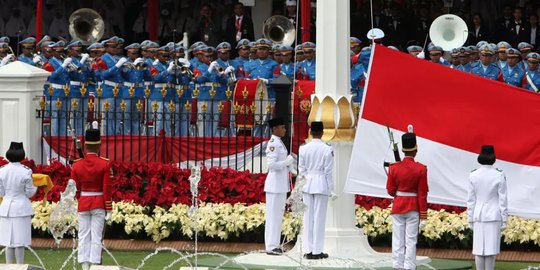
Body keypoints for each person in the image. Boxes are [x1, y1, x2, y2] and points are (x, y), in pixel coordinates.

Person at [71, 122, 112, 270]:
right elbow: (106, 188)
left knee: (83, 235)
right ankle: (95, 264)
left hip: (84, 201)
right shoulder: (105, 164)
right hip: (99, 202)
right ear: (99, 145)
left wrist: (78, 200)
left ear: (85, 146)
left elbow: (75, 188)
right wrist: (110, 208)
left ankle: (84, 265)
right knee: (96, 236)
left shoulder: (77, 165)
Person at [386, 126, 428, 270]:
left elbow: (391, 191)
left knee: (398, 239)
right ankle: (409, 266)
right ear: (415, 150)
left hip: (398, 205)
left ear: (403, 150)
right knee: (410, 240)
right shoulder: (421, 168)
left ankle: (397, 266)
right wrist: (424, 216)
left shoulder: (394, 168)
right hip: (413, 207)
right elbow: (422, 194)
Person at [467, 145, 508, 270]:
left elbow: (470, 200)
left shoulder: (473, 174)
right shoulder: (499, 174)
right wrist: (504, 217)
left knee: (479, 250)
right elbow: (503, 199)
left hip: (478, 215)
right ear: (493, 157)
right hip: (494, 215)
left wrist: (470, 217)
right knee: (490, 251)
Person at [299, 121, 334, 260]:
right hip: (320, 184)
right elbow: (328, 171)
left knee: (308, 219)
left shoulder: (303, 148)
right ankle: (317, 251)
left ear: (310, 132)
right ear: (322, 132)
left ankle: (308, 250)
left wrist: (301, 186)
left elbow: (301, 170)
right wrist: (331, 188)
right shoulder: (327, 149)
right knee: (319, 218)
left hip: (307, 183)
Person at [0, 142, 37, 264]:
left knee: (8, 242)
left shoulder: (2, 170)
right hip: (21, 208)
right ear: (22, 154)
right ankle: (19, 266)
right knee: (20, 242)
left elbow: (1, 192)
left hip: (6, 208)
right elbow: (30, 192)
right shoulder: (26, 171)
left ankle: (8, 266)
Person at [264, 117, 294, 255]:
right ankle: (270, 246)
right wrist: (286, 163)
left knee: (277, 216)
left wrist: (290, 169)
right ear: (275, 129)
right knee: (273, 216)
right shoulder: (273, 144)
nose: (284, 129)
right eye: (282, 127)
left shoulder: (279, 142)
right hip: (274, 186)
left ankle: (275, 244)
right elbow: (271, 165)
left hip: (280, 185)